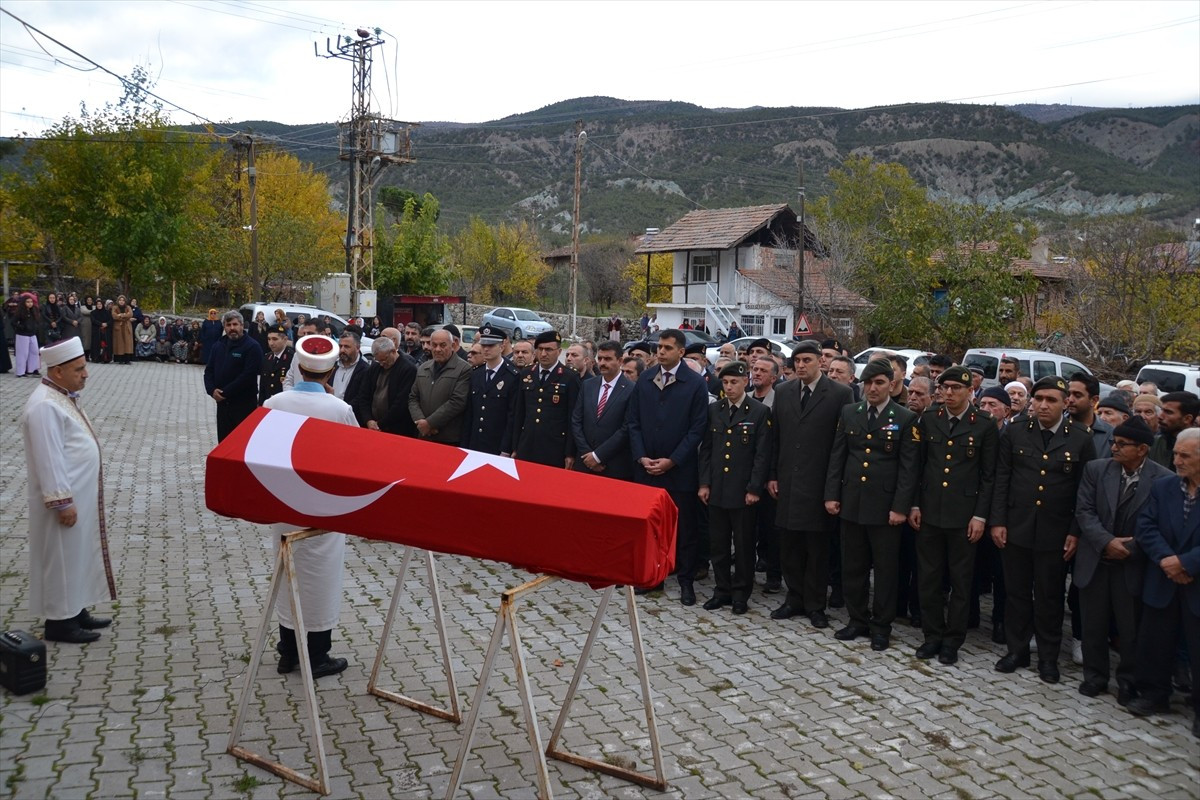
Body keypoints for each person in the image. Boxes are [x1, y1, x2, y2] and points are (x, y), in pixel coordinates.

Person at [263, 335, 359, 679]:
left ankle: (287, 651)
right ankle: (317, 655)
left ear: (298, 367)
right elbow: (356, 457)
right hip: (324, 505)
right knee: (321, 579)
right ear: (331, 369)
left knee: (286, 576)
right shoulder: (339, 409)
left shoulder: (274, 402)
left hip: (283, 500)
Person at [991, 375, 1098, 683]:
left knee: (1050, 597)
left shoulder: (1080, 437)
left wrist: (1075, 531)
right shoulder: (1014, 433)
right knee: (1016, 594)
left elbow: (1084, 492)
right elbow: (1002, 480)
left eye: (1051, 400)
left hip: (1055, 531)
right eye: (1038, 399)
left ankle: (1048, 658)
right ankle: (1017, 650)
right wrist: (998, 521)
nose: (1043, 405)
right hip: (1017, 527)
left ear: (1066, 403)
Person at [20, 338, 116, 643]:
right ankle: (60, 623)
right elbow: (49, 459)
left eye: (84, 366)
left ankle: (75, 610)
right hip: (64, 502)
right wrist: (62, 502)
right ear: (57, 371)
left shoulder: (62, 396)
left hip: (79, 497)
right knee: (61, 558)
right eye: (79, 368)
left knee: (75, 555)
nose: (86, 373)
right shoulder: (45, 405)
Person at [824, 359, 920, 651]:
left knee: (886, 571)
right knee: (853, 566)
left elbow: (908, 468)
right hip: (853, 502)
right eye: (867, 383)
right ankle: (857, 620)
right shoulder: (850, 412)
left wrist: (901, 507)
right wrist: (832, 494)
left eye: (878, 383)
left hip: (885, 507)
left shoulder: (904, 418)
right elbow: (838, 457)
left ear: (891, 385)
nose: (872, 388)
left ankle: (881, 626)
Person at [1074, 416, 1171, 704]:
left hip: (1132, 563)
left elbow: (1162, 524)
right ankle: (1095, 677)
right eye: (1114, 442)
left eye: (1122, 444)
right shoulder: (1096, 469)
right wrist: (1106, 541)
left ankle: (1128, 681)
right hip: (1096, 558)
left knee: (1130, 629)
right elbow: (1084, 511)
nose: (1114, 448)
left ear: (1142, 449)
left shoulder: (1163, 479)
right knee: (1093, 623)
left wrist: (1131, 546)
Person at [911, 366, 999, 664]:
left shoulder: (984, 424)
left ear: (969, 391)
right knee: (929, 579)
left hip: (964, 516)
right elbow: (918, 467)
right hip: (930, 512)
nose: (949, 393)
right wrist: (914, 504)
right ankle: (932, 635)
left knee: (961, 582)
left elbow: (989, 476)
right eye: (944, 387)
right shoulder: (930, 419)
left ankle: (952, 640)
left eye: (956, 388)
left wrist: (980, 517)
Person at [767, 340, 854, 628]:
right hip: (788, 481)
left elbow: (842, 445)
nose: (801, 366)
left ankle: (816, 604)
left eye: (807, 360)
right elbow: (775, 439)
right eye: (797, 361)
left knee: (817, 549)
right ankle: (794, 598)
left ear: (821, 362)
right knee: (789, 545)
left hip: (820, 483)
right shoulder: (783, 391)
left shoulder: (841, 394)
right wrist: (772, 475)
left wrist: (834, 487)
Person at [1126, 427, 1200, 738]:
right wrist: (1168, 560)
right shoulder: (1165, 487)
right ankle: (1154, 695)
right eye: (1176, 455)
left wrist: (1186, 562)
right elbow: (1146, 525)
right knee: (1155, 641)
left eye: (1185, 456)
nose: (1177, 460)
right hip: (1163, 578)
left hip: (1195, 581)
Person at [628, 329, 710, 605]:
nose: (660, 352)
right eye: (659, 347)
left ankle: (686, 580)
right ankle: (654, 578)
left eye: (666, 348)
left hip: (680, 470)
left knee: (684, 529)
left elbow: (697, 428)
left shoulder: (695, 383)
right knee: (651, 527)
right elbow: (634, 422)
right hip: (647, 468)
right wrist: (641, 457)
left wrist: (673, 460)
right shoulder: (646, 380)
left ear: (681, 352)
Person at [699, 360, 772, 614]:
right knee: (718, 545)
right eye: (726, 382)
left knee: (743, 546)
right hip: (718, 488)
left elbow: (762, 455)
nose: (729, 387)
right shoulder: (715, 410)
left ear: (745, 382)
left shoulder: (759, 412)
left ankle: (741, 593)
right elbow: (706, 450)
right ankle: (722, 590)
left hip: (743, 492)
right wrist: (704, 483)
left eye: (734, 382)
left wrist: (754, 488)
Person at [511, 330, 581, 468]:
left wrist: (569, 453)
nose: (543, 354)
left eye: (548, 349)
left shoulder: (569, 377)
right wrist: (515, 446)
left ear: (559, 351)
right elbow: (519, 412)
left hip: (554, 447)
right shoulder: (526, 373)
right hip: (527, 443)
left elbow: (572, 417)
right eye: (540, 349)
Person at [570, 340, 634, 480]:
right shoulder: (588, 385)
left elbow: (626, 428)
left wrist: (598, 456)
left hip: (612, 465)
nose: (602, 363)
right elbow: (576, 420)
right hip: (584, 462)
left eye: (608, 359)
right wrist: (587, 454)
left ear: (620, 360)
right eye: (600, 358)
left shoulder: (631, 390)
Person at [203, 310, 263, 441]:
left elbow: (248, 376)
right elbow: (209, 371)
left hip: (244, 404)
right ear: (224, 326)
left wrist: (224, 393)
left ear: (242, 325)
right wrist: (212, 390)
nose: (232, 328)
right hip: (223, 406)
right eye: (228, 325)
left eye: (235, 324)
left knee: (241, 443)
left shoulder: (252, 347)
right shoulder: (218, 345)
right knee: (224, 443)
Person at [462, 325, 521, 455]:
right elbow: (470, 413)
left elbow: (512, 416)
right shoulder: (476, 374)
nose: (486, 349)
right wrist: (465, 443)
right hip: (475, 442)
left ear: (501, 347)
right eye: (483, 346)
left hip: (497, 444)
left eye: (491, 345)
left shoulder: (512, 376)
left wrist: (506, 448)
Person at [409, 329, 471, 444]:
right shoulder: (423, 368)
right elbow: (413, 398)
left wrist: (430, 423)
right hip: (423, 435)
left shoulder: (464, 369)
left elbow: (457, 401)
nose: (437, 349)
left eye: (443, 345)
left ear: (452, 345)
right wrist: (421, 422)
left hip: (448, 438)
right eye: (434, 345)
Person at [354, 337, 417, 436]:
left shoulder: (408, 369)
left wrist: (379, 424)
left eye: (384, 359)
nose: (382, 364)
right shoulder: (375, 367)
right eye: (379, 361)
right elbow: (364, 395)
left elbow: (400, 404)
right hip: (372, 425)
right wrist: (368, 420)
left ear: (393, 351)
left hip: (396, 428)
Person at [1149, 391, 1199, 471]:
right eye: (1162, 410)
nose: (1160, 416)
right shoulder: (1156, 442)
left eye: (1168, 412)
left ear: (1187, 419)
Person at [331, 329, 369, 409]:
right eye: (340, 346)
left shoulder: (365, 370)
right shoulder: (333, 366)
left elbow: (361, 397)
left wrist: (344, 410)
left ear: (358, 348)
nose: (342, 350)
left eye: (346, 347)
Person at [258, 324, 295, 406]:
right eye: (269, 339)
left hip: (284, 405)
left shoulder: (292, 358)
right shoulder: (267, 357)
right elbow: (263, 386)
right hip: (268, 404)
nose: (271, 343)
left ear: (285, 339)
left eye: (275, 339)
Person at [13, 293, 42, 377]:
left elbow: (37, 321)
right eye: (28, 302)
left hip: (32, 334)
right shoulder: (20, 311)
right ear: (24, 303)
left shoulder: (34, 310)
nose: (30, 303)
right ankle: (20, 372)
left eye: (31, 302)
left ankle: (32, 370)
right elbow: (13, 322)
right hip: (22, 335)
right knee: (23, 354)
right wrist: (21, 327)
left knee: (35, 352)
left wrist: (35, 327)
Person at [110, 296, 134, 365]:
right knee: (119, 343)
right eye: (120, 300)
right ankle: (120, 359)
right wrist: (124, 316)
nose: (121, 301)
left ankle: (127, 359)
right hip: (118, 327)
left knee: (127, 343)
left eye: (123, 300)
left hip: (126, 326)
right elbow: (114, 316)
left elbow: (130, 314)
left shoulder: (128, 307)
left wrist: (121, 315)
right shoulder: (115, 307)